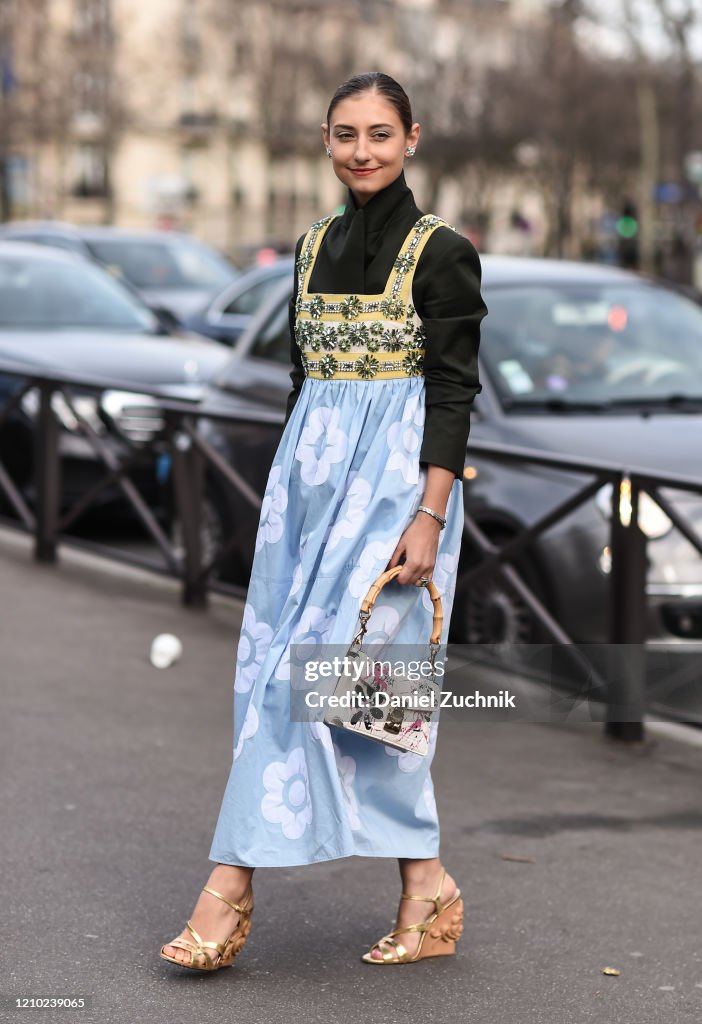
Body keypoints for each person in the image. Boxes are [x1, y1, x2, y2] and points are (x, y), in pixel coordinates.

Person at [160, 71, 488, 971]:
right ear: (324, 139)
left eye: (381, 134)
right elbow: (307, 389)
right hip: (308, 491)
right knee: (349, 693)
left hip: (396, 496)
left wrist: (429, 513)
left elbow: (455, 393)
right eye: (346, 134)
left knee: (304, 684)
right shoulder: (307, 250)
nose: (363, 151)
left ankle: (228, 891)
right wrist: (284, 504)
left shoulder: (444, 252)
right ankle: (428, 886)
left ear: (412, 138)